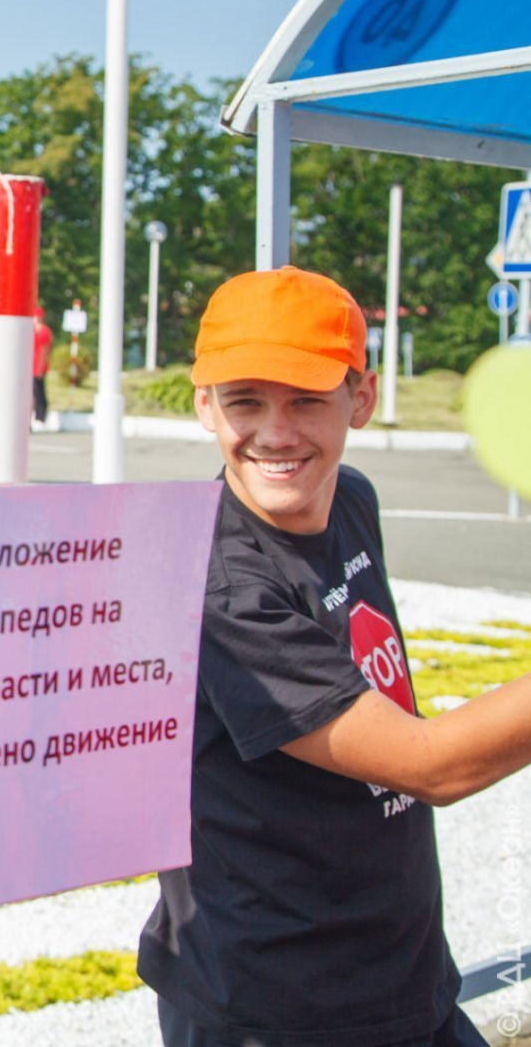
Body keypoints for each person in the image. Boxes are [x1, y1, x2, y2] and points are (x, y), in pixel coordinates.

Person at [137, 266, 531, 1047]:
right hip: (276, 1005)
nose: (277, 432)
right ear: (204, 405)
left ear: (364, 397)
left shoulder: (351, 496)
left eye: (307, 399)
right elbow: (429, 764)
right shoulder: (218, 584)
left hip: (403, 974)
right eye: (246, 400)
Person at [32, 307, 54, 428]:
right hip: (31, 367)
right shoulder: (32, 330)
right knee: (32, 393)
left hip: (39, 367)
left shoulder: (44, 331)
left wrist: (40, 368)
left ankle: (40, 417)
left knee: (39, 393)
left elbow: (45, 351)